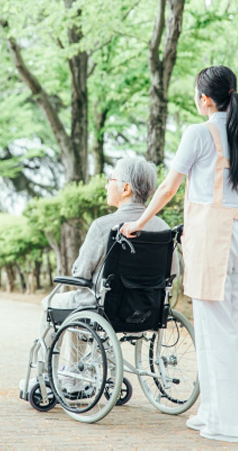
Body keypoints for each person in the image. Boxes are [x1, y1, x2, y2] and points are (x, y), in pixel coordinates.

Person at [120, 65, 238, 443]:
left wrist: (139, 222)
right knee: (231, 329)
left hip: (214, 237)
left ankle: (228, 424)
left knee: (215, 331)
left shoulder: (197, 133)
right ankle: (213, 410)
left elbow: (167, 188)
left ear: (205, 99)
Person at [19, 156, 176, 398]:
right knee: (82, 304)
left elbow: (81, 273)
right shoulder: (162, 227)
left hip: (106, 308)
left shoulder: (104, 226)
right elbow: (172, 273)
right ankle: (76, 373)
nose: (106, 185)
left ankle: (54, 375)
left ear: (126, 188)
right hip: (149, 310)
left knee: (54, 304)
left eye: (110, 179)